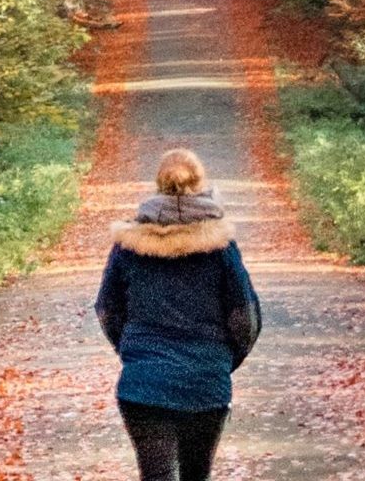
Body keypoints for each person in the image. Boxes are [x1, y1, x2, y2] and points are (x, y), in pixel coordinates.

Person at [94, 148, 262, 481]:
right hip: (206, 382)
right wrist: (222, 361)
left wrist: (134, 353)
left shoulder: (128, 245)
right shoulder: (221, 248)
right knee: (196, 474)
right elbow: (246, 318)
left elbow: (106, 310)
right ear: (201, 185)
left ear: (158, 185)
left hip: (143, 386)